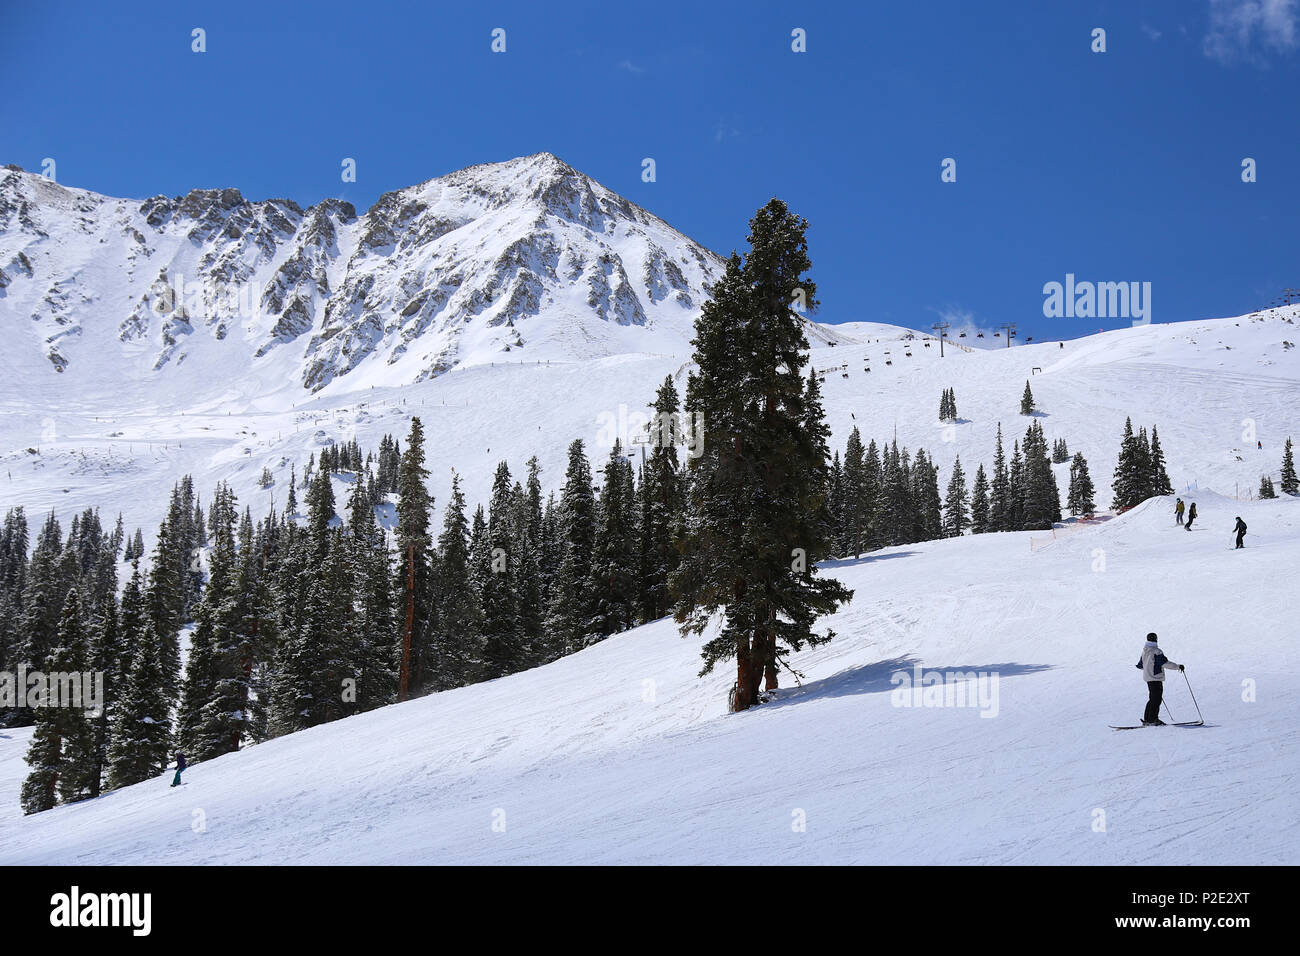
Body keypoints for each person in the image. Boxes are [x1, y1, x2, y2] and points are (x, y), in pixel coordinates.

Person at [1135, 632, 1183, 726]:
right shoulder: (1157, 651)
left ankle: (1147, 719)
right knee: (1156, 699)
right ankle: (1153, 720)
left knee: (1152, 699)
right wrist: (1178, 666)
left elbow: (1141, 665)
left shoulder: (1144, 650)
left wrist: (1148, 668)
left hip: (1148, 678)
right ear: (1156, 639)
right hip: (1156, 678)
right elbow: (1164, 663)